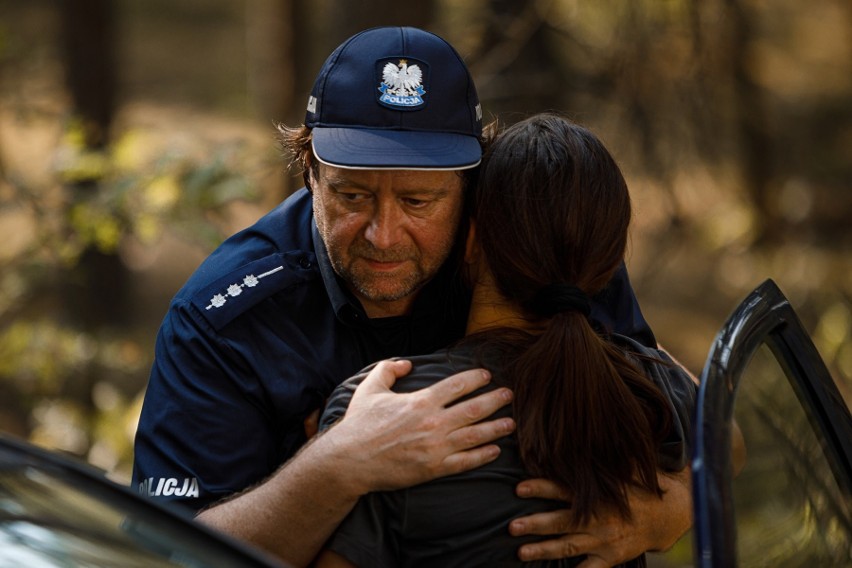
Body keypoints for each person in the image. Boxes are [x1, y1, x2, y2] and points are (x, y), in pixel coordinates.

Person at [132, 27, 692, 567]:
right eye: (352, 195)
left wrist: (675, 506)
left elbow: (698, 415)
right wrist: (336, 467)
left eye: (419, 202)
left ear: (474, 194)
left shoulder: (526, 251)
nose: (384, 234)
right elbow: (164, 554)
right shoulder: (224, 321)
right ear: (309, 172)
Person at [313, 114, 698, 568]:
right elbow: (726, 435)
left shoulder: (382, 409)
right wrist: (675, 508)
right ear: (608, 262)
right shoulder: (651, 386)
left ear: (471, 240)